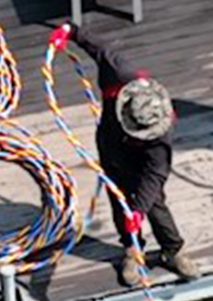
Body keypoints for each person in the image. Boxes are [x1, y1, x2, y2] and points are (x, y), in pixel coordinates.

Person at [49, 23, 201, 284]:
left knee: (153, 203)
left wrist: (138, 212)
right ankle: (132, 249)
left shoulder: (160, 135)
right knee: (118, 196)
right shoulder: (118, 70)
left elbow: (154, 176)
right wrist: (69, 31)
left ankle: (173, 250)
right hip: (111, 142)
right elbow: (99, 47)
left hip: (145, 162)